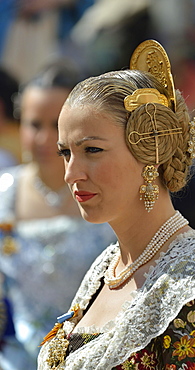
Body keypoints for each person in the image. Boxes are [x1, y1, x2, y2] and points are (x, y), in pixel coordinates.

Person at [38, 40, 195, 370]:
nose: (71, 174)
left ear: (150, 152)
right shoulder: (106, 267)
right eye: (65, 153)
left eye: (92, 150)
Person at [0, 61, 115, 369]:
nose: (44, 140)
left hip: (95, 355)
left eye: (57, 126)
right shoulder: (3, 195)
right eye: (34, 124)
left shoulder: (107, 191)